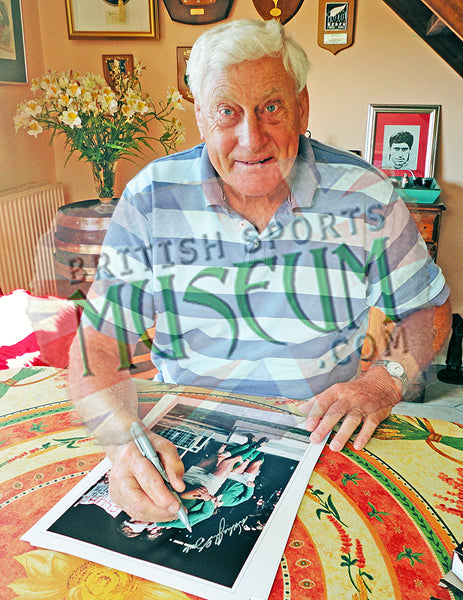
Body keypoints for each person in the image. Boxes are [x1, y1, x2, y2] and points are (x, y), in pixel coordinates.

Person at [69, 19, 452, 526]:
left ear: (302, 106)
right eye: (227, 111)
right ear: (200, 115)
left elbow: (427, 309)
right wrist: (122, 442)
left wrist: (384, 381)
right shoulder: (150, 197)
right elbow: (97, 344)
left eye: (272, 107)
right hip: (183, 437)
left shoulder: (365, 194)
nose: (252, 138)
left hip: (320, 432)